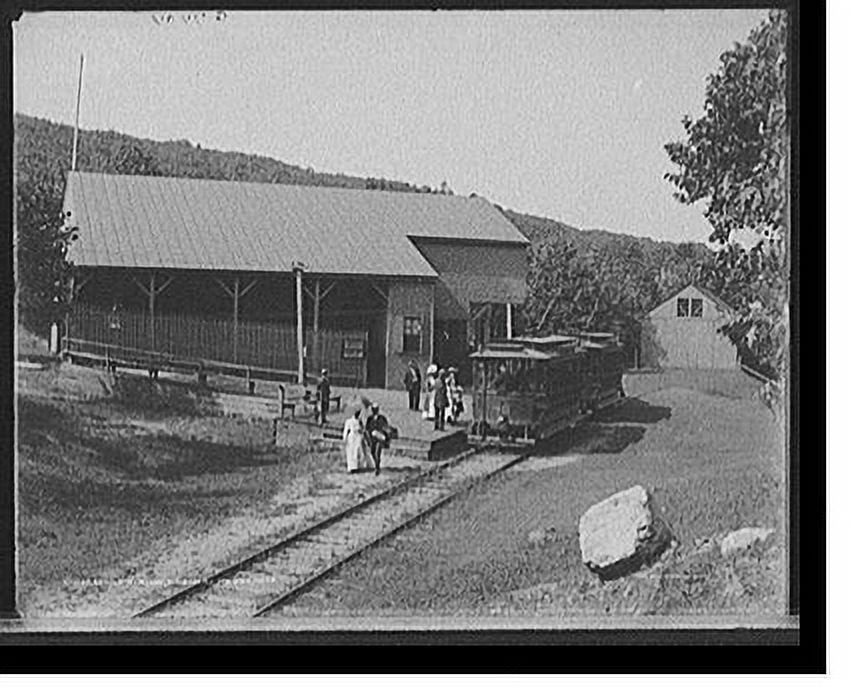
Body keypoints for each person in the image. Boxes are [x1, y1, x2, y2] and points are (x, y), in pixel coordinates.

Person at [342, 408, 373, 474]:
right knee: (351, 453)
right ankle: (351, 468)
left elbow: (363, 430)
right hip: (352, 438)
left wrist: (364, 435)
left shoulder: (359, 421)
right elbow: (346, 430)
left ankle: (358, 467)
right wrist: (345, 438)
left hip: (358, 438)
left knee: (358, 452)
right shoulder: (349, 421)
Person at [365, 403, 391, 476]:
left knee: (377, 453)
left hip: (379, 438)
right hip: (372, 439)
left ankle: (377, 467)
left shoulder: (382, 418)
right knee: (373, 452)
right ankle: (377, 464)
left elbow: (386, 428)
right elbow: (367, 429)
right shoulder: (369, 419)